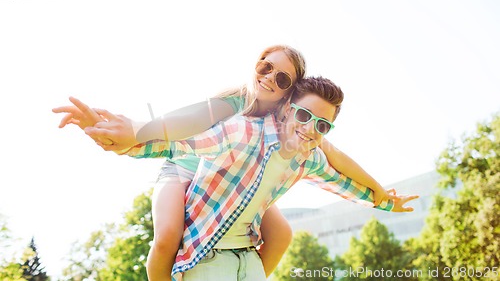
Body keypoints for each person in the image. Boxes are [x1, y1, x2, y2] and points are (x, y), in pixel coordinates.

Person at [53, 46, 391, 280]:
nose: (270, 77)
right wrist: (130, 131)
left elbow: (333, 159)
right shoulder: (234, 103)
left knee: (282, 233)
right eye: (265, 66)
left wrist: (379, 193)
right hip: (186, 162)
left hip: (236, 179)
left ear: (289, 95)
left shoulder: (296, 130)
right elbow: (177, 130)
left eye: (283, 79)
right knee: (169, 234)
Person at [120, 76, 418, 281]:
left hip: (245, 256)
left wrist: (384, 201)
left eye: (322, 126)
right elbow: (178, 141)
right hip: (200, 228)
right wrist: (127, 137)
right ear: (288, 109)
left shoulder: (308, 157)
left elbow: (341, 180)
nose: (310, 128)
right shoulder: (243, 125)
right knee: (165, 239)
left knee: (282, 233)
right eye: (304, 116)